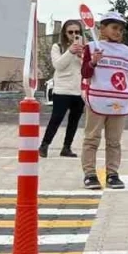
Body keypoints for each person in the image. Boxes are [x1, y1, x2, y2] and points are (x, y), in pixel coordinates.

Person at [79, 12, 128, 190]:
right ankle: (90, 174)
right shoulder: (91, 48)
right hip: (97, 100)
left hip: (119, 102)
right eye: (114, 28)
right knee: (92, 139)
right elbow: (85, 73)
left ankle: (112, 173)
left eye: (120, 29)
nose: (118, 32)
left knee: (114, 141)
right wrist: (94, 62)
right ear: (102, 28)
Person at [40, 19, 86, 158]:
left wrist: (81, 55)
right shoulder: (57, 47)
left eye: (77, 32)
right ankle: (44, 145)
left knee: (74, 120)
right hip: (62, 90)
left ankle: (66, 147)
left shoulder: (85, 47)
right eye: (70, 32)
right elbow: (58, 65)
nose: (73, 35)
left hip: (79, 90)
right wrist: (70, 51)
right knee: (56, 118)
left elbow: (87, 68)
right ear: (65, 33)